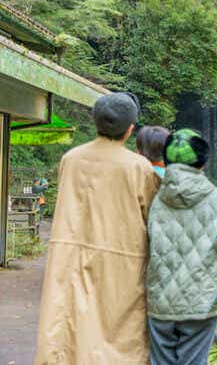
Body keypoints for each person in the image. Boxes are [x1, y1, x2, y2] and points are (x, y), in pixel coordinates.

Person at [35, 92, 160, 365]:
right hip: (122, 262)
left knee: (70, 328)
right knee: (117, 335)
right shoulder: (139, 167)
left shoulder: (71, 158)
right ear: (130, 129)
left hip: (69, 254)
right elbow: (153, 215)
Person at [146, 128, 217, 365]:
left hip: (160, 299)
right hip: (200, 302)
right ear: (202, 163)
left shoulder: (152, 193)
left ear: (167, 160)